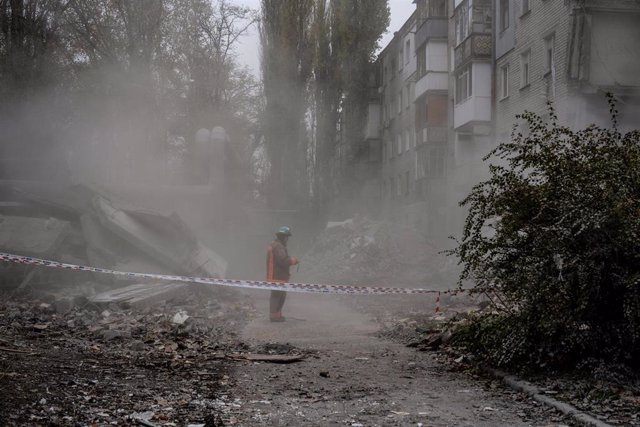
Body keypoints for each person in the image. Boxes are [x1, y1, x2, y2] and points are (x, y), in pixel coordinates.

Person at [266, 226, 299, 322]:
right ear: (284, 237)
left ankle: (277, 315)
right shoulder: (279, 247)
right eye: (287, 237)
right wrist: (294, 260)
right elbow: (283, 261)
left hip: (276, 276)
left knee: (280, 295)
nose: (287, 239)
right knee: (277, 295)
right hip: (277, 277)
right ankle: (274, 316)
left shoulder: (274, 245)